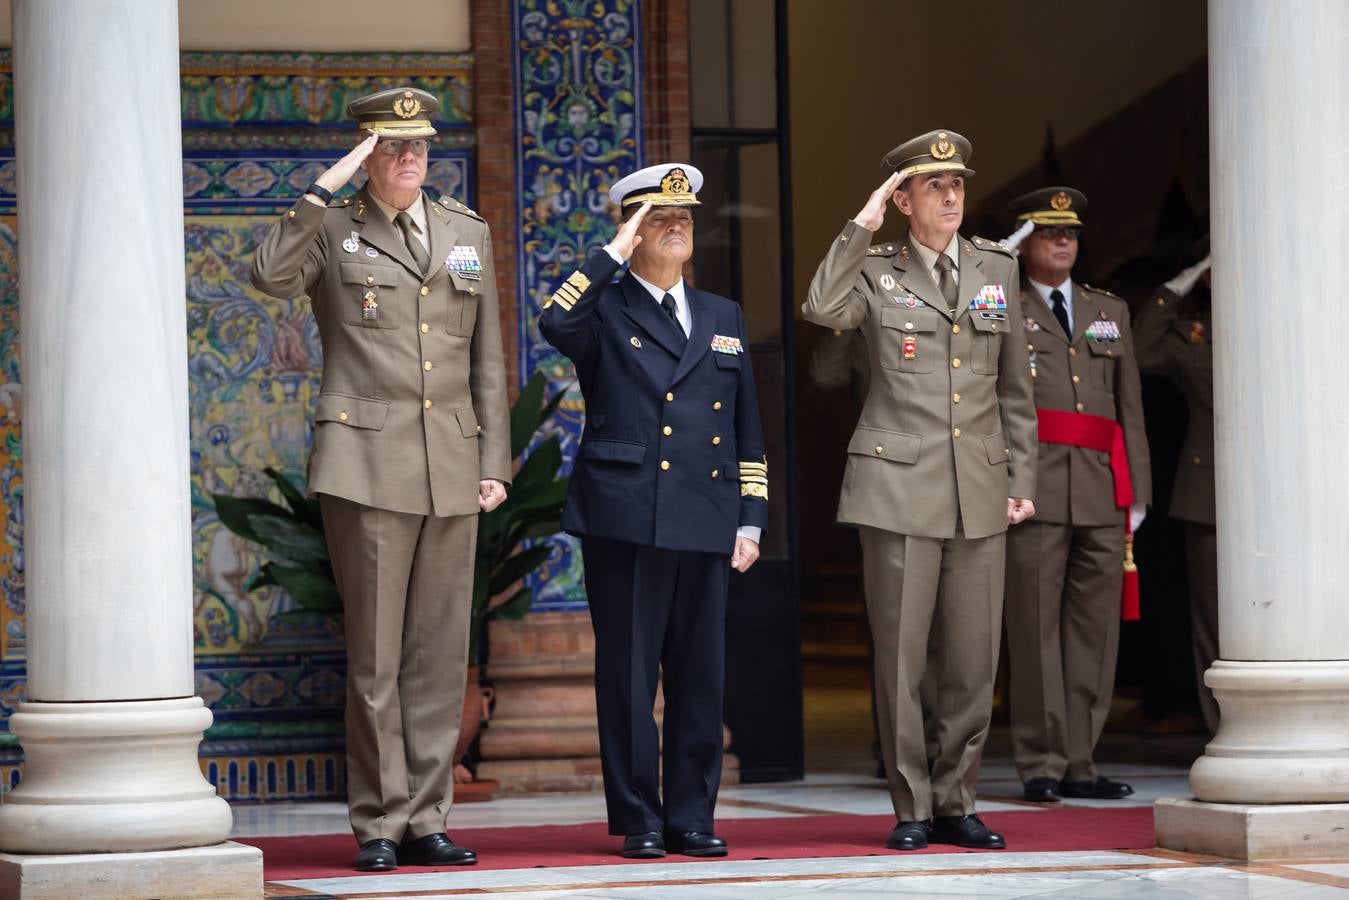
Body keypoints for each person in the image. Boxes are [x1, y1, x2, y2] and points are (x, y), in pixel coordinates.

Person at [251, 86, 510, 872]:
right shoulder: (331, 227)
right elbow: (268, 275)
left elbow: (486, 358)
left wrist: (493, 460)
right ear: (366, 153)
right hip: (366, 464)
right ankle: (378, 822)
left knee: (436, 655)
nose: (410, 157)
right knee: (374, 660)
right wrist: (324, 187)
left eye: (419, 145)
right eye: (392, 145)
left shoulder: (466, 231)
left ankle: (428, 816)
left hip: (452, 464)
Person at [803, 130, 1037, 851]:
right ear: (901, 199)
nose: (949, 195)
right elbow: (820, 307)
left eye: (957, 184)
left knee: (972, 661)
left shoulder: (996, 267)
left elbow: (1014, 394)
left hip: (978, 489)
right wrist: (860, 224)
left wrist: (1019, 479)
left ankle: (954, 800)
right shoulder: (874, 271)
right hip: (898, 488)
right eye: (932, 185)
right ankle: (909, 804)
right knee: (902, 659)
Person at [538, 164, 768, 859]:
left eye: (684, 219)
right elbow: (554, 320)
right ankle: (639, 818)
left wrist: (751, 515)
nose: (675, 227)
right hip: (628, 515)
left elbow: (747, 426)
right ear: (631, 230)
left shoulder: (722, 314)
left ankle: (691, 817)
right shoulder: (604, 307)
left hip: (706, 514)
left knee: (701, 676)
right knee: (629, 677)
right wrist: (609, 251)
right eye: (657, 219)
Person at [1000, 187, 1151, 803]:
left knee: (1094, 633)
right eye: (1049, 231)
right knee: (1035, 632)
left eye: (1071, 233)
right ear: (1026, 240)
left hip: (1101, 488)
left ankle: (1082, 762)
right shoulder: (1001, 306)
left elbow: (1129, 406)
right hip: (1035, 488)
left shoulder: (1106, 308)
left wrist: (1135, 489)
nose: (1063, 241)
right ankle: (1041, 760)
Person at [1134, 246, 1217, 731]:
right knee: (1212, 620)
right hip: (1206, 491)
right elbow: (1141, 351)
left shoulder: (1284, 318)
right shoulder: (1193, 333)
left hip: (1284, 495)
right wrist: (1179, 283)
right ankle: (1220, 727)